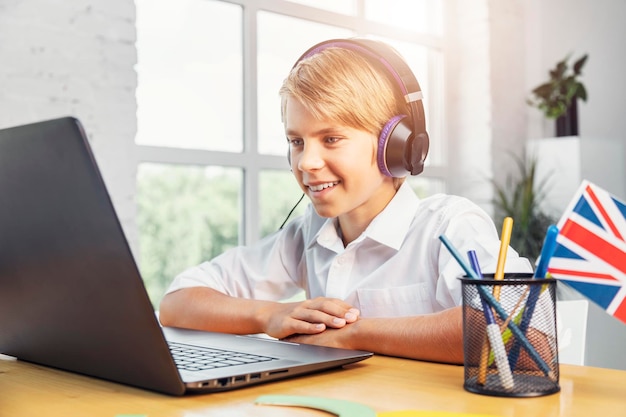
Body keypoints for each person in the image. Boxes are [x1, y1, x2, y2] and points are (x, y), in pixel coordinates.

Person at [159, 38, 531, 364]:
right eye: (296, 141)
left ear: (395, 145)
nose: (306, 162)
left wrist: (354, 335)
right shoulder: (309, 234)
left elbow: (524, 332)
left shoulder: (448, 226)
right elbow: (177, 303)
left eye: (331, 139)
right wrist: (268, 315)